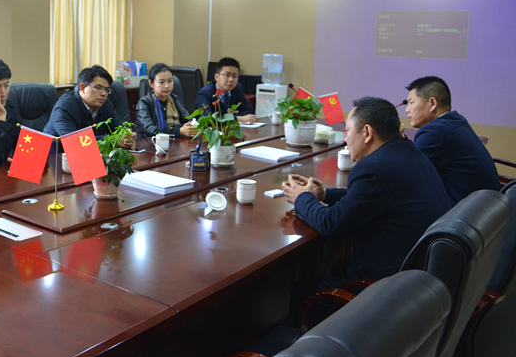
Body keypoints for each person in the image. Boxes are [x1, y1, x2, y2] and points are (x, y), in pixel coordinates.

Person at [282, 97, 452, 283]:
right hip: (421, 275)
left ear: (367, 133)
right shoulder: (407, 151)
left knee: (301, 288)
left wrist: (302, 198)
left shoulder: (373, 169)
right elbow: (372, 198)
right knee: (338, 267)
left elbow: (330, 224)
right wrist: (326, 195)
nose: (345, 138)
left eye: (348, 130)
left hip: (391, 287)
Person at [405, 76, 499, 205]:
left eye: (411, 103)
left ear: (432, 103)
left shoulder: (435, 132)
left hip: (464, 212)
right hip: (486, 209)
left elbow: (407, 174)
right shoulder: (454, 121)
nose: (407, 109)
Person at [44, 65, 134, 150]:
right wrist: (114, 140)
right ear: (82, 88)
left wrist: (127, 135)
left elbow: (117, 128)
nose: (103, 94)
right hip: (56, 157)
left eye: (107, 89)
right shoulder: (64, 107)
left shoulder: (105, 105)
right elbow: (73, 141)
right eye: (98, 88)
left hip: (92, 154)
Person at [135, 63, 196, 139]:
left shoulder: (173, 99)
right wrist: (179, 131)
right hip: (149, 143)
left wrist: (192, 125)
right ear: (151, 83)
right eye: (161, 82)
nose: (167, 86)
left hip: (173, 142)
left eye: (170, 81)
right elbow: (149, 129)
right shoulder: (144, 103)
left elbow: (188, 118)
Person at [195, 57, 257, 123]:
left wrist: (231, 118)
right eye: (227, 75)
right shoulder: (204, 93)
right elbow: (208, 119)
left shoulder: (237, 88)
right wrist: (236, 118)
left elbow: (249, 111)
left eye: (234, 76)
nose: (231, 79)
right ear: (216, 77)